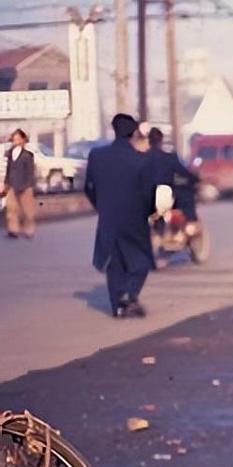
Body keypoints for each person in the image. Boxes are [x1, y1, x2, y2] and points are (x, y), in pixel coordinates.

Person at [84, 114, 156, 318]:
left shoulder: (97, 156)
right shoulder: (142, 160)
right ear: (134, 132)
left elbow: (88, 187)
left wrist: (101, 206)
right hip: (135, 217)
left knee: (114, 262)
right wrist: (149, 213)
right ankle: (130, 293)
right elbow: (149, 192)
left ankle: (117, 306)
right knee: (141, 260)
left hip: (108, 216)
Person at [147, 127, 200, 223]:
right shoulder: (169, 158)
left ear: (149, 141)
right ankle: (190, 224)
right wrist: (196, 179)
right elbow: (184, 172)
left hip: (147, 195)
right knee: (186, 198)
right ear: (161, 140)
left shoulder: (140, 158)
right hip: (166, 193)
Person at [3, 129, 37, 239]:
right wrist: (6, 183)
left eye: (18, 139)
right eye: (14, 139)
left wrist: (28, 185)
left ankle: (29, 231)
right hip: (12, 184)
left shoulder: (27, 155)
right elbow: (8, 169)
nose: (16, 141)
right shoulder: (10, 153)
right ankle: (13, 230)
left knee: (28, 210)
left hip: (25, 185)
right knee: (11, 209)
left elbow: (30, 172)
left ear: (23, 140)